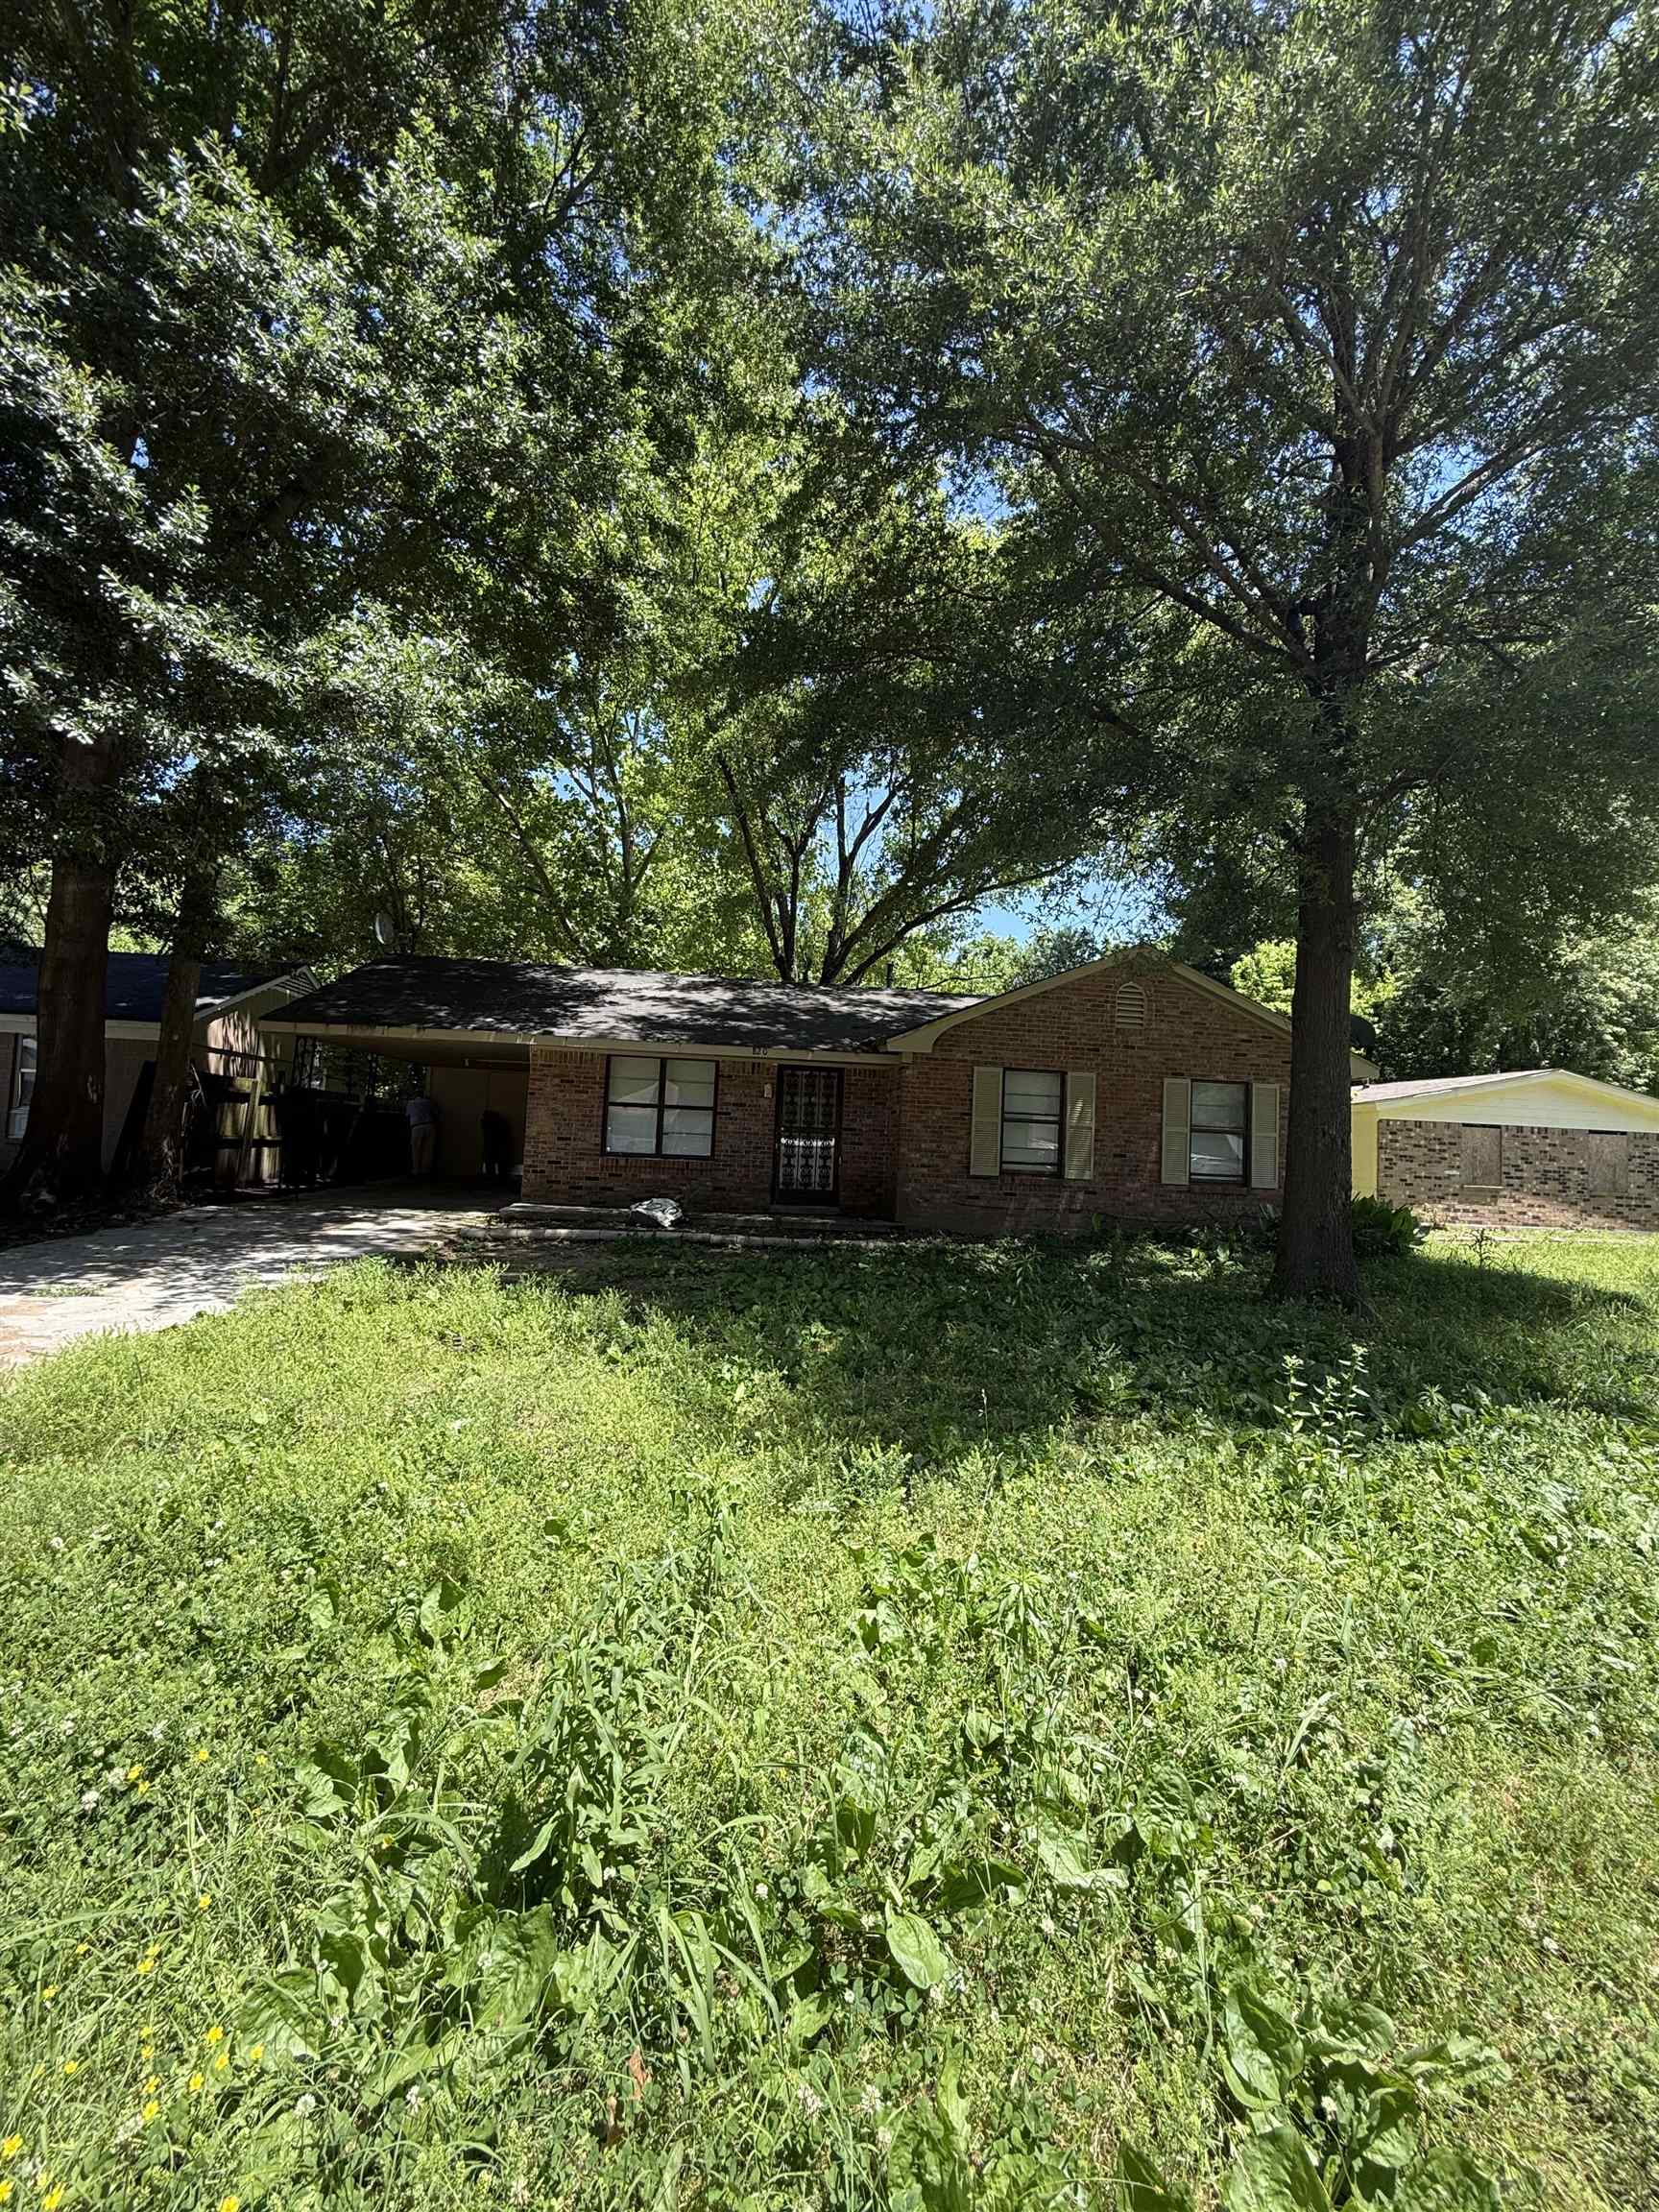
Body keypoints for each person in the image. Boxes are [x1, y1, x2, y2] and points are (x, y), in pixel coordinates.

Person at [405, 1087, 439, 1178]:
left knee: (416, 1149)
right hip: (429, 1125)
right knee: (428, 1149)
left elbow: (408, 1115)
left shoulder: (411, 1103)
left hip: (417, 1126)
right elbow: (436, 1112)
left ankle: (416, 1169)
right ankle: (426, 1170)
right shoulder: (428, 1102)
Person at [480, 1107, 512, 1186]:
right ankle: (500, 1180)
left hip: (490, 1147)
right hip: (498, 1147)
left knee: (490, 1165)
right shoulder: (500, 1124)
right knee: (500, 1165)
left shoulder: (487, 1125)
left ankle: (491, 1179)